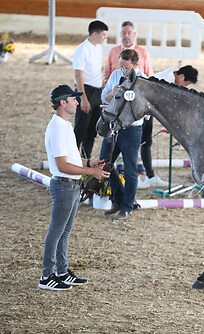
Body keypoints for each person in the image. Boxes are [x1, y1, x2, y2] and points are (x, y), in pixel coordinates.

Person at [39, 85, 110, 290]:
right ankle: (46, 276)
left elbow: (71, 158)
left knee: (65, 231)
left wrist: (89, 163)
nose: (77, 102)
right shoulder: (57, 128)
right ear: (63, 102)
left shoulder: (65, 125)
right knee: (56, 231)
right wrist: (92, 173)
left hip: (71, 185)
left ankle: (62, 271)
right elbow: (62, 165)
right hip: (64, 185)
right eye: (73, 99)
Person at [100, 49, 146, 220]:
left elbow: (146, 111)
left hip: (131, 128)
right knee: (105, 162)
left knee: (129, 168)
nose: (123, 71)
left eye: (126, 68)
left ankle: (127, 206)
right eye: (121, 67)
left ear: (135, 65)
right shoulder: (115, 75)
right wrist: (112, 93)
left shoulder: (143, 80)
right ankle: (118, 200)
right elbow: (104, 97)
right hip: (113, 126)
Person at [136, 65, 199, 189]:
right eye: (186, 83)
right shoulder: (163, 80)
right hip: (140, 113)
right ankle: (136, 177)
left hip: (148, 114)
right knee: (136, 145)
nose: (185, 86)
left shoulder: (173, 76)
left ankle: (150, 176)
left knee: (146, 144)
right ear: (181, 76)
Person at [72, 20, 108, 159]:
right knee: (81, 129)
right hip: (85, 90)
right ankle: (72, 159)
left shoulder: (98, 48)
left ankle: (85, 158)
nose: (105, 37)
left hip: (97, 91)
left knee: (92, 131)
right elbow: (78, 75)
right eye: (103, 35)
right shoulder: (82, 49)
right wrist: (83, 98)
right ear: (95, 34)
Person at [103, 20, 154, 86]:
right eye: (124, 33)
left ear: (134, 34)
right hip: (116, 91)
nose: (126, 35)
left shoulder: (143, 52)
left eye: (129, 33)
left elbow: (149, 77)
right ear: (120, 34)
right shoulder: (113, 51)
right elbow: (106, 76)